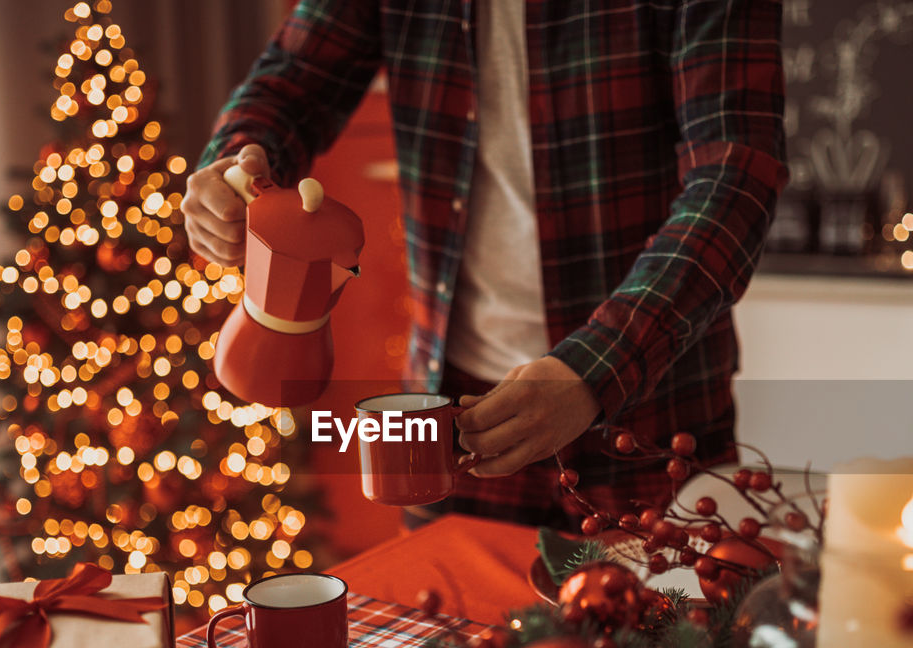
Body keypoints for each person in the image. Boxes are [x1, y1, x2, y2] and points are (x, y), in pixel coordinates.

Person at [184, 0, 787, 530]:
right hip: (451, 416)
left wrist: (592, 370)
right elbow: (290, 85)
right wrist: (235, 167)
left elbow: (734, 177)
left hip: (651, 414)